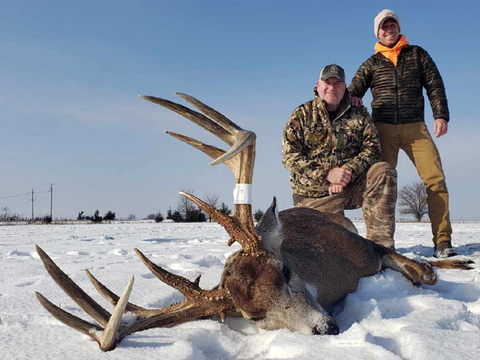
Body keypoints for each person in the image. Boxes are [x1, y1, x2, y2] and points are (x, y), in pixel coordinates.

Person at [348, 9, 454, 258]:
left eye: (392, 24)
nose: (389, 30)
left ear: (398, 27)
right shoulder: (371, 64)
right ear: (378, 32)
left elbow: (435, 84)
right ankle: (381, 244)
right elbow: (353, 92)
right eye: (384, 26)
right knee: (380, 185)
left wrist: (441, 115)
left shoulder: (417, 54)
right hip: (382, 129)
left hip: (415, 127)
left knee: (436, 180)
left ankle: (443, 241)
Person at [282, 64, 397, 249]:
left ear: (345, 87)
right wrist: (327, 174)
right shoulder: (302, 114)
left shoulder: (359, 113)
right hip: (315, 195)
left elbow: (373, 149)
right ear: (318, 85)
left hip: (349, 188)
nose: (332, 87)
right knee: (336, 249)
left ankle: (381, 248)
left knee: (383, 171)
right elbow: (289, 156)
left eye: (337, 83)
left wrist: (346, 172)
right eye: (328, 82)